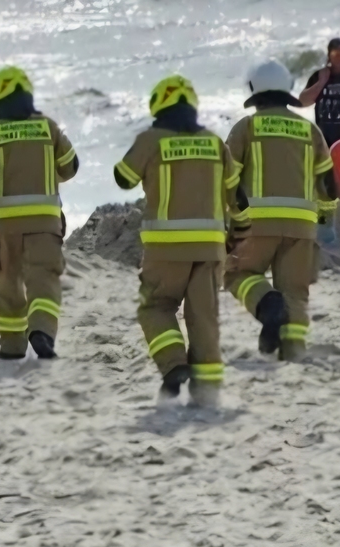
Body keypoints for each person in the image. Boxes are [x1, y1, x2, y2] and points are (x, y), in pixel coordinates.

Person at [113, 74, 238, 406]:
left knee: (155, 307)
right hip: (211, 249)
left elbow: (123, 178)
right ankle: (208, 394)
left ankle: (174, 367)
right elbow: (238, 195)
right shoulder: (215, 143)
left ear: (158, 106)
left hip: (166, 248)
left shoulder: (151, 139)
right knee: (204, 317)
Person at [224, 61, 338, 363]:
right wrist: (326, 218)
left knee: (238, 273)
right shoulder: (309, 130)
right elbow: (328, 182)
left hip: (255, 225)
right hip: (302, 227)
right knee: (296, 292)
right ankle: (293, 352)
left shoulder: (246, 128)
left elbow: (226, 178)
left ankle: (267, 303)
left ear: (253, 91)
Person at [0, 66, 78, 361]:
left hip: (4, 224)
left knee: (8, 282)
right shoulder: (48, 127)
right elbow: (70, 165)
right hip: (44, 222)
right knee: (44, 278)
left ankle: (12, 347)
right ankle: (41, 330)